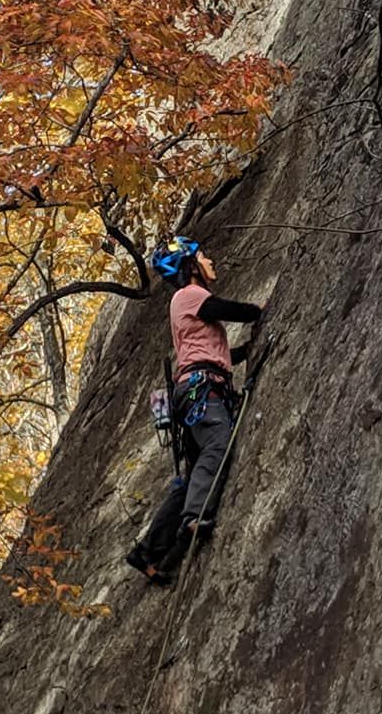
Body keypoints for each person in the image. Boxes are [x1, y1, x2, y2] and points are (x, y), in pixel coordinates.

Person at [126, 236, 262, 582]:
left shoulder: (183, 306)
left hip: (194, 388)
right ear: (190, 264)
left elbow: (211, 354)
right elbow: (222, 310)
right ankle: (194, 517)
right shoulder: (188, 295)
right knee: (218, 442)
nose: (210, 260)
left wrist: (245, 352)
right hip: (203, 391)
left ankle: (150, 553)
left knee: (191, 478)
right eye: (203, 255)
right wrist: (259, 313)